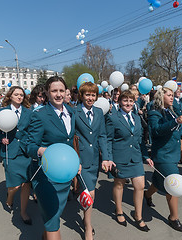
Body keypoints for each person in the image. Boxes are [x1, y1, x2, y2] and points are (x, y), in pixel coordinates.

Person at [27, 76, 80, 240]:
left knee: (52, 218)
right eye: (54, 91)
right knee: (53, 222)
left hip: (64, 176)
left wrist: (76, 162)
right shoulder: (40, 115)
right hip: (46, 177)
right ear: (47, 93)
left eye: (61, 90)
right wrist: (42, 150)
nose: (58, 94)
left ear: (66, 92)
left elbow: (70, 142)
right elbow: (29, 146)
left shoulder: (71, 112)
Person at [144, 87, 182, 233]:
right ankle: (173, 217)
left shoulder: (171, 112)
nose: (172, 97)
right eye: (169, 95)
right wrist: (175, 122)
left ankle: (147, 195)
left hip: (172, 155)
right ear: (161, 96)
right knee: (174, 185)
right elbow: (157, 130)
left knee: (158, 181)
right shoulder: (155, 112)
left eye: (173, 95)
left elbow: (179, 132)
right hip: (163, 155)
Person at [105, 90, 153, 232]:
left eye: (131, 101)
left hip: (136, 157)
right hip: (119, 157)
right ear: (120, 101)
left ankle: (138, 216)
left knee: (140, 186)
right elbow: (108, 140)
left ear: (134, 102)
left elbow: (140, 140)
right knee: (119, 184)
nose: (128, 103)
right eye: (125, 100)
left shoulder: (137, 118)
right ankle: (119, 211)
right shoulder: (113, 118)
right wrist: (109, 159)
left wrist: (146, 156)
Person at [75, 82, 110, 240]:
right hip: (80, 159)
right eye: (87, 95)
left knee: (88, 192)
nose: (90, 98)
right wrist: (75, 160)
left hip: (95, 159)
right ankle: (88, 226)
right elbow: (71, 138)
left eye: (93, 95)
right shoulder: (74, 112)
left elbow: (102, 136)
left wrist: (106, 157)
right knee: (90, 193)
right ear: (81, 95)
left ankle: (85, 216)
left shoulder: (98, 112)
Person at [0, 86, 33, 225]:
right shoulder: (2, 111)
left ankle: (23, 212)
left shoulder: (29, 113)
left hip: (25, 152)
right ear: (10, 96)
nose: (19, 97)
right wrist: (1, 138)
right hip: (10, 151)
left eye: (21, 95)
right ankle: (10, 197)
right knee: (15, 186)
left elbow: (32, 130)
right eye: (16, 94)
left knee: (26, 184)